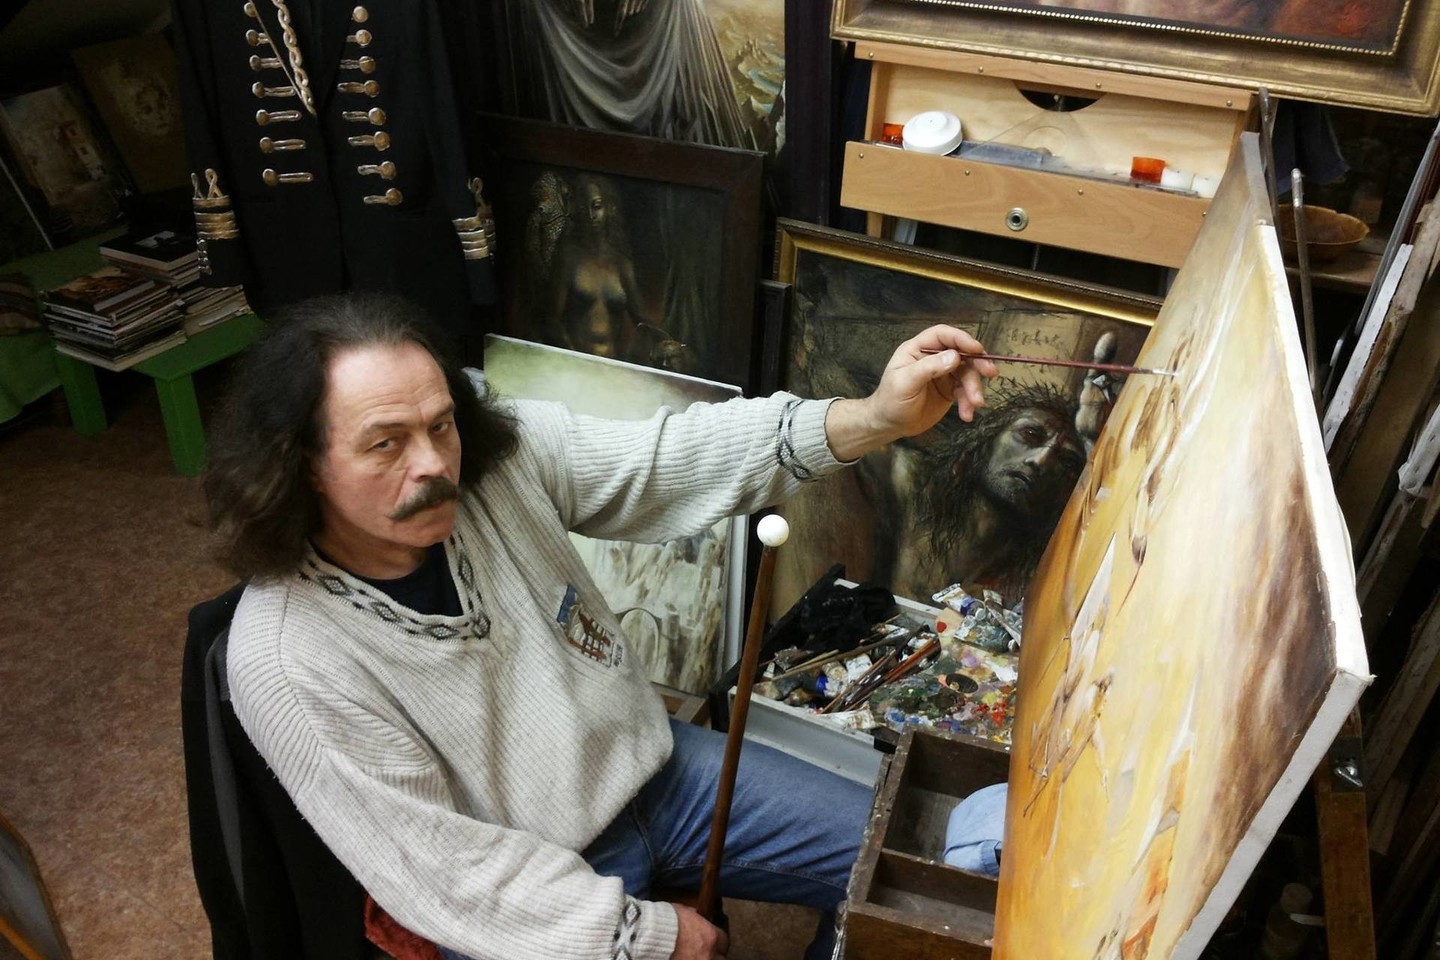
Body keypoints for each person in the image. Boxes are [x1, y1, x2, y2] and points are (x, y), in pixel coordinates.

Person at [202, 291, 995, 960]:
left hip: (658, 774)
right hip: (522, 883)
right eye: (385, 444)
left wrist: (874, 417)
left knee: (930, 880)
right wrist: (646, 937)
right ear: (301, 463)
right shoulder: (286, 658)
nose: (434, 465)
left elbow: (664, 459)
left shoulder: (495, 458)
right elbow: (453, 875)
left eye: (440, 425)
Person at [881, 384, 1088, 600]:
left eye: (1067, 461)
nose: (1039, 461)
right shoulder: (900, 478)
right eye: (1029, 434)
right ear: (987, 437)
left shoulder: (1028, 575)